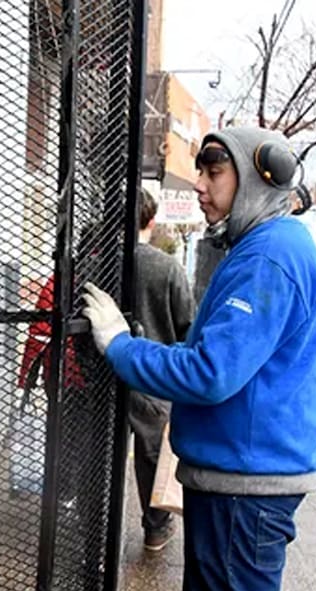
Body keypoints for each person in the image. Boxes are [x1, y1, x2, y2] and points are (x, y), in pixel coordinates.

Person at [81, 128, 316, 591]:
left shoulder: (271, 255)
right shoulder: (257, 247)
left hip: (252, 478)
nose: (200, 183)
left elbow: (212, 371)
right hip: (239, 468)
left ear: (261, 176)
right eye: (201, 170)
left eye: (214, 171)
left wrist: (120, 345)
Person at [130, 187, 194, 550]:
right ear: (151, 222)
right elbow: (188, 324)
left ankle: (90, 525)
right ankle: (156, 526)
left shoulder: (95, 263)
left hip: (103, 377)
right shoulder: (166, 267)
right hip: (154, 379)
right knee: (152, 454)